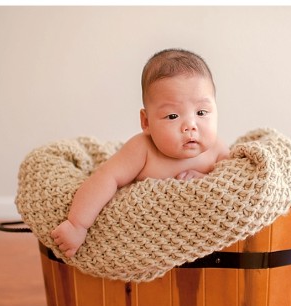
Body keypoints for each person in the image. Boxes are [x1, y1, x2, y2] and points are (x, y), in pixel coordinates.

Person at [51, 49, 230, 258]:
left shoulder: (217, 149)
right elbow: (105, 179)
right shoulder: (142, 149)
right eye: (172, 116)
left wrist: (205, 181)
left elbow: (230, 184)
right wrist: (77, 224)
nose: (190, 125)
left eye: (201, 113)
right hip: (146, 246)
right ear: (146, 122)